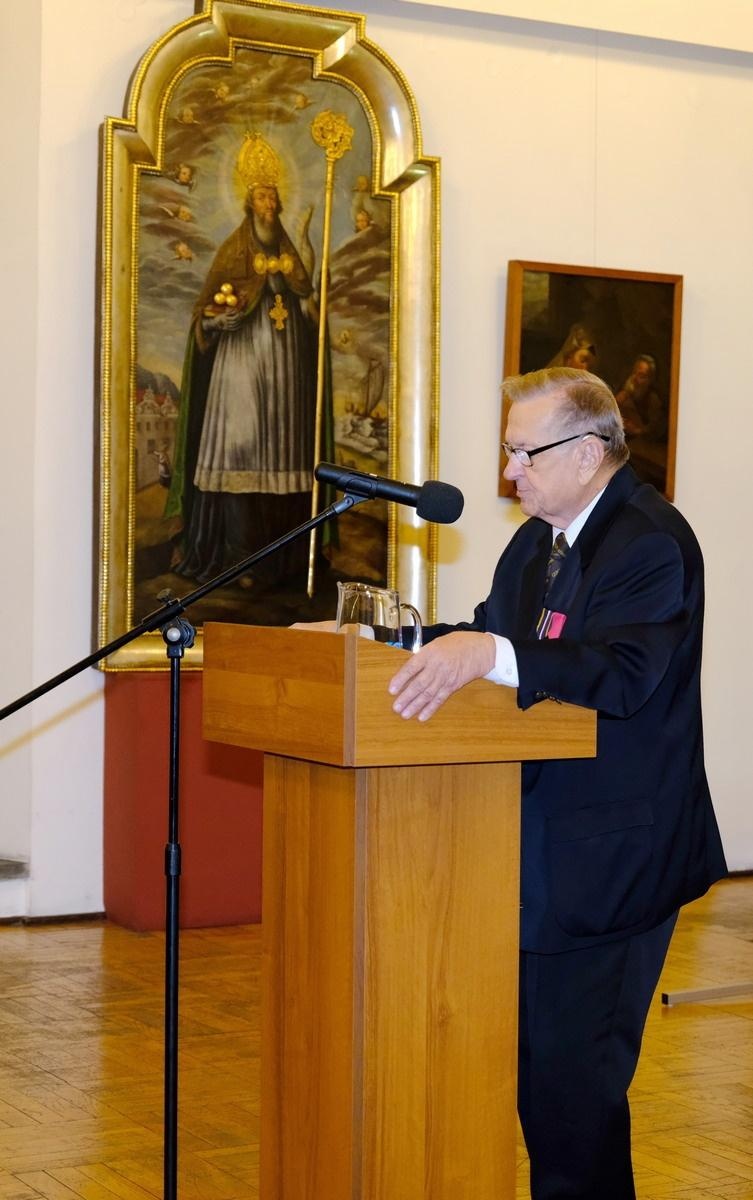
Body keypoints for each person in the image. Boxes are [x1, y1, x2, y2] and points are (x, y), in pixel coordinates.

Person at [388, 366, 727, 1200]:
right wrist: (380, 636)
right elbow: (486, 638)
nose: (508, 472)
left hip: (614, 865)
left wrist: (486, 655)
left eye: (521, 452)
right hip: (537, 853)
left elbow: (619, 673)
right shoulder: (538, 540)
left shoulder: (649, 540)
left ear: (585, 452)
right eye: (507, 452)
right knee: (542, 1091)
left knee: (575, 1104)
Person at [164, 133, 321, 589]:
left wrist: (310, 297)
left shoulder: (291, 254)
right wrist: (217, 323)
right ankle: (236, 559)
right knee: (238, 449)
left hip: (285, 372)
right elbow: (204, 315)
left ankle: (279, 565)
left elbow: (309, 307)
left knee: (282, 457)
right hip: (240, 367)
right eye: (260, 195)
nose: (268, 202)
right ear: (249, 203)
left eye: (272, 195)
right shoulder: (233, 251)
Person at [616, 353, 666, 440]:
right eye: (635, 373)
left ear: (649, 380)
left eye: (641, 376)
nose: (635, 378)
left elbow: (655, 430)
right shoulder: (625, 395)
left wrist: (638, 431)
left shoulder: (654, 400)